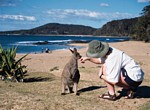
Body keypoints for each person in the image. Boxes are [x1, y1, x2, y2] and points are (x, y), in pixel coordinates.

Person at [80, 40, 144, 101]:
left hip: (133, 78)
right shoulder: (110, 50)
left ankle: (111, 94)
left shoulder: (112, 58)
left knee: (105, 68)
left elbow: (114, 81)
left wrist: (101, 76)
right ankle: (130, 89)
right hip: (136, 76)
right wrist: (88, 58)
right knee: (105, 66)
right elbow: (99, 60)